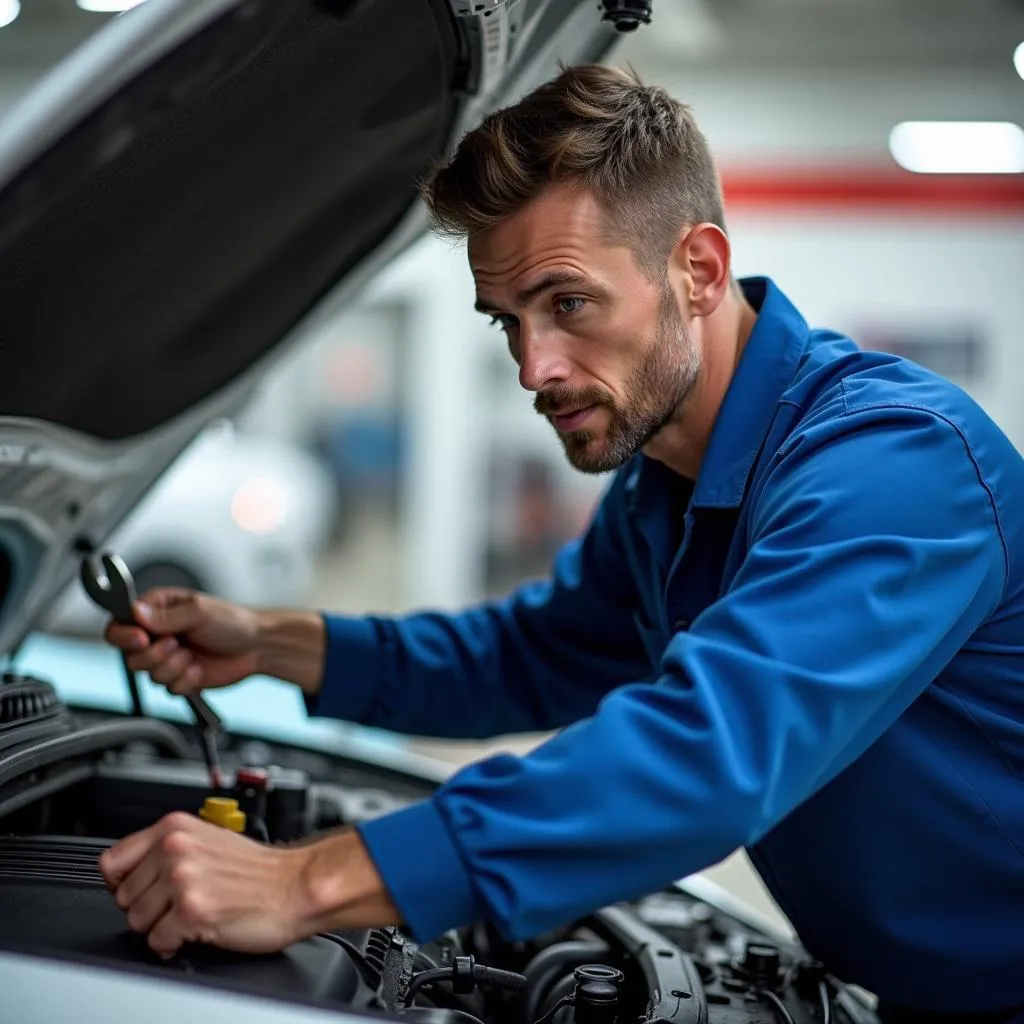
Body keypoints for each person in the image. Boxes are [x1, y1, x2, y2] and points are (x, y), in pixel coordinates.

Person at [99, 65, 1024, 1022]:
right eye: (509, 321)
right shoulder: (664, 483)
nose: (534, 367)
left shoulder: (898, 465)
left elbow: (711, 752)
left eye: (568, 303)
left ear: (697, 270)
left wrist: (305, 885)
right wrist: (274, 641)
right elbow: (534, 653)